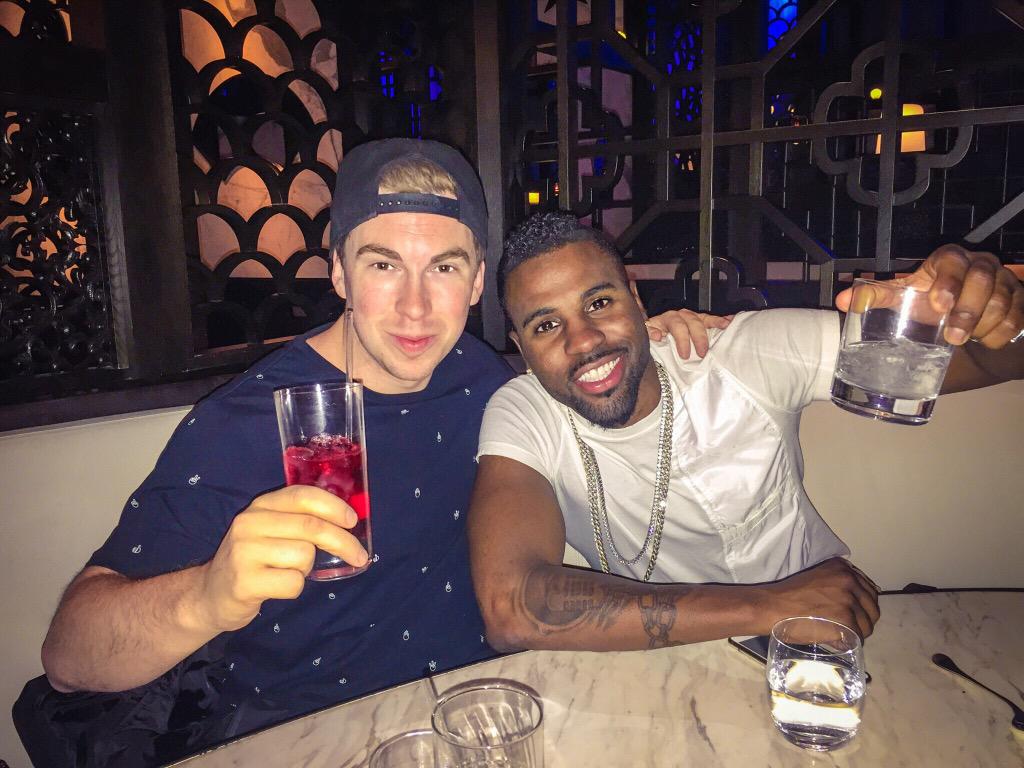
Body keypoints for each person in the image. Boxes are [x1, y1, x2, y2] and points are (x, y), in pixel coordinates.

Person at [30, 141, 712, 762]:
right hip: (303, 738)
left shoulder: (484, 380)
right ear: (338, 273)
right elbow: (68, 656)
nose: (415, 306)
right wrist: (206, 598)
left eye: (443, 267)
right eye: (383, 264)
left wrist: (656, 343)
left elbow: (588, 370)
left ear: (477, 282)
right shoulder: (241, 424)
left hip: (478, 716)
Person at [469, 211, 1023, 654]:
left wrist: (999, 317)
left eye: (599, 302)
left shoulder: (745, 353)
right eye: (546, 324)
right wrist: (772, 607)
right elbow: (511, 607)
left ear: (636, 301)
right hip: (659, 660)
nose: (584, 340)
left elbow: (984, 362)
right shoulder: (524, 411)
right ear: (521, 348)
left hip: (821, 643)